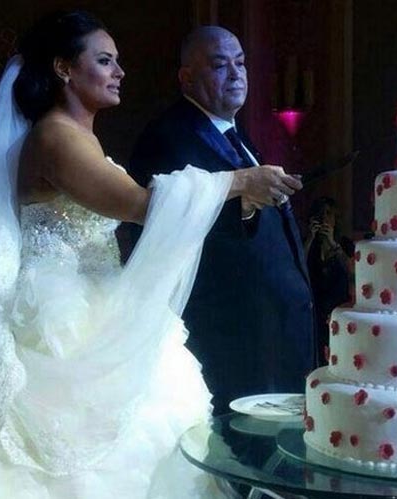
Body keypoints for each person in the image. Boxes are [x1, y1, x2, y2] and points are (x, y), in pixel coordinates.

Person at [0, 10, 303, 498]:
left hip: (101, 299)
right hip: (60, 315)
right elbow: (140, 206)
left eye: (117, 60)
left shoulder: (78, 135)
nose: (120, 72)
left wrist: (237, 193)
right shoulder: (54, 136)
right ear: (63, 68)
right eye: (104, 60)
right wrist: (238, 180)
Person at [128, 26, 315, 415]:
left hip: (274, 333)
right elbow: (164, 222)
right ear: (186, 78)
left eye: (240, 63)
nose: (235, 74)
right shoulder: (169, 135)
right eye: (219, 65)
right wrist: (243, 204)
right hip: (227, 338)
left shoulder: (236, 133)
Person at [304, 197, 354, 364]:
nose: (325, 218)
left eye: (329, 214)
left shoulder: (344, 244)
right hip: (315, 309)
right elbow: (298, 267)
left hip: (338, 307)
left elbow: (353, 270)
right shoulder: (310, 245)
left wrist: (333, 243)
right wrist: (310, 239)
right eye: (321, 214)